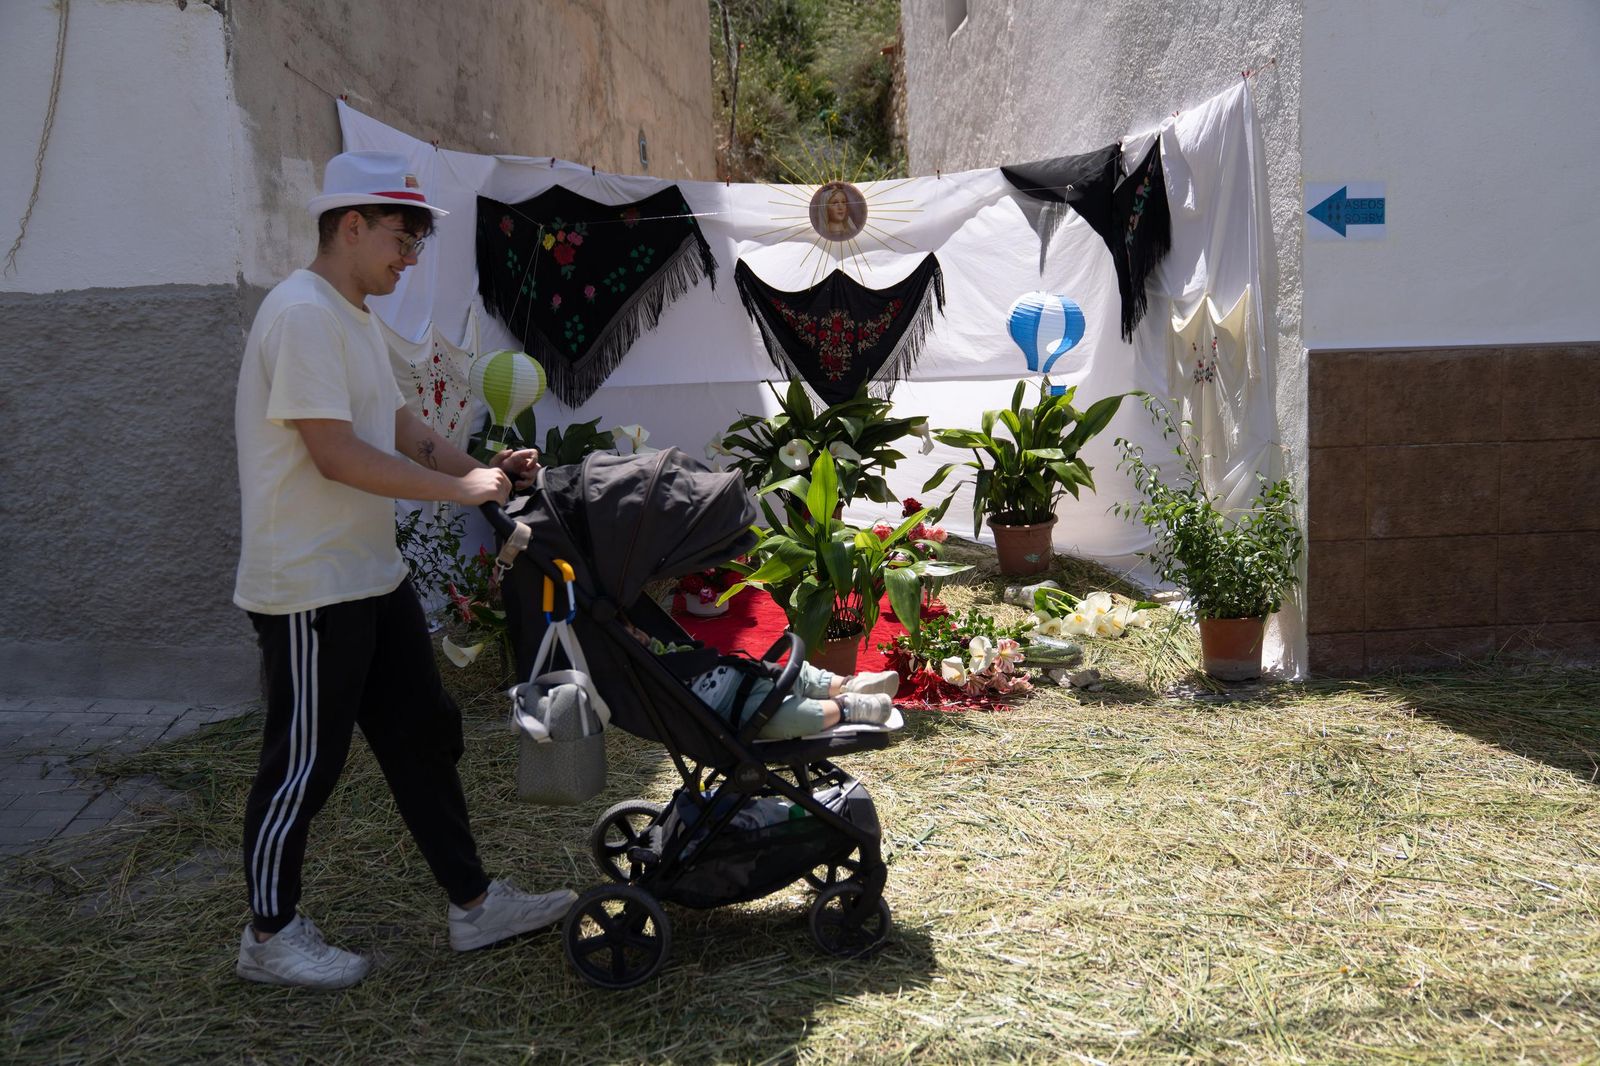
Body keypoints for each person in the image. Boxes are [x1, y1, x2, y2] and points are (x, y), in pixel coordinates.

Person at [232, 150, 575, 990]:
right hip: (311, 587)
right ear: (351, 226)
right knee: (303, 762)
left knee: (423, 732)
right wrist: (457, 489)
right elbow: (335, 454)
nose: (412, 255)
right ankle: (268, 935)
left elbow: (399, 428)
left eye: (420, 238)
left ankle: (474, 902)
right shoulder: (302, 314)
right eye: (403, 235)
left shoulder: (348, 314)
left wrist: (486, 469)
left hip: (369, 577)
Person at [622, 619, 899, 740]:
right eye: (631, 637)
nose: (639, 636)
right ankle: (847, 706)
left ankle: (851, 683)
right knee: (795, 716)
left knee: (800, 673)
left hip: (744, 675)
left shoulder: (662, 649)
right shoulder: (646, 676)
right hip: (738, 712)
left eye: (636, 630)